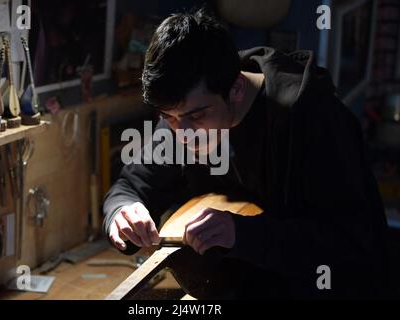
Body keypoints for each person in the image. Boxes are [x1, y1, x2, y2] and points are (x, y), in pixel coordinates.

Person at [103, 9, 389, 299]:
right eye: (169, 117)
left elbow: (350, 240)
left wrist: (244, 235)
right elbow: (129, 187)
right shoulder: (184, 112)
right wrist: (122, 212)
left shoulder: (313, 119)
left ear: (237, 88)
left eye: (196, 115)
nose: (183, 133)